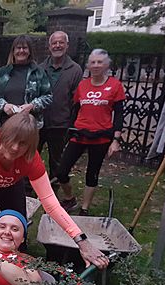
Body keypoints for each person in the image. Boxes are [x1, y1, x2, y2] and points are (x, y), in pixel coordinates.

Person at [0, 112, 109, 269]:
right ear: (2, 135)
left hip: (10, 184)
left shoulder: (31, 159)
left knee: (18, 233)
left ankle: (16, 275)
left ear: (31, 146)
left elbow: (50, 202)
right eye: (11, 140)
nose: (15, 147)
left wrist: (81, 240)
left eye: (22, 144)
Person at [58, 49, 125, 215]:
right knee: (61, 171)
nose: (95, 65)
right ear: (88, 65)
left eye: (99, 62)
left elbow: (119, 115)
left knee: (92, 174)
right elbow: (75, 109)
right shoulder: (82, 85)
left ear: (106, 65)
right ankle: (69, 198)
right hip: (79, 134)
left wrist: (116, 140)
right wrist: (71, 128)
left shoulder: (115, 86)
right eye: (93, 62)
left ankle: (84, 208)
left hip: (100, 137)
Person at [39, 31, 83, 185]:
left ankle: (53, 189)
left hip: (60, 124)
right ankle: (28, 187)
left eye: (61, 42)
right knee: (32, 157)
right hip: (39, 122)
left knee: (56, 160)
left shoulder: (75, 70)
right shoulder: (40, 68)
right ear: (49, 46)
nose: (57, 45)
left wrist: (72, 124)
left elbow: (76, 101)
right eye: (54, 43)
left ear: (67, 46)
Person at [0, 35, 53, 130]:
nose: (21, 51)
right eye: (18, 48)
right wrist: (3, 106)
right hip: (1, 126)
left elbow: (48, 97)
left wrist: (32, 106)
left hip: (28, 128)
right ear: (13, 51)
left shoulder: (38, 73)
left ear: (30, 51)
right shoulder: (2, 73)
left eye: (25, 48)